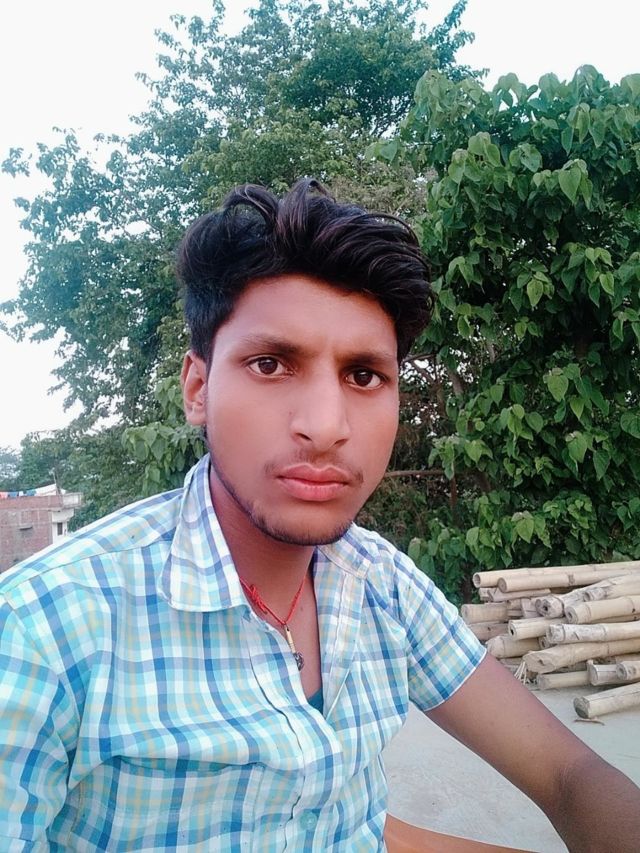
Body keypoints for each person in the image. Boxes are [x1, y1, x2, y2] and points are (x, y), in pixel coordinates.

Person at [0, 180, 638, 852]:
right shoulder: (42, 632)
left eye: (363, 376)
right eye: (270, 364)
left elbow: (568, 773)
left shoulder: (382, 584)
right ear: (198, 388)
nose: (327, 426)